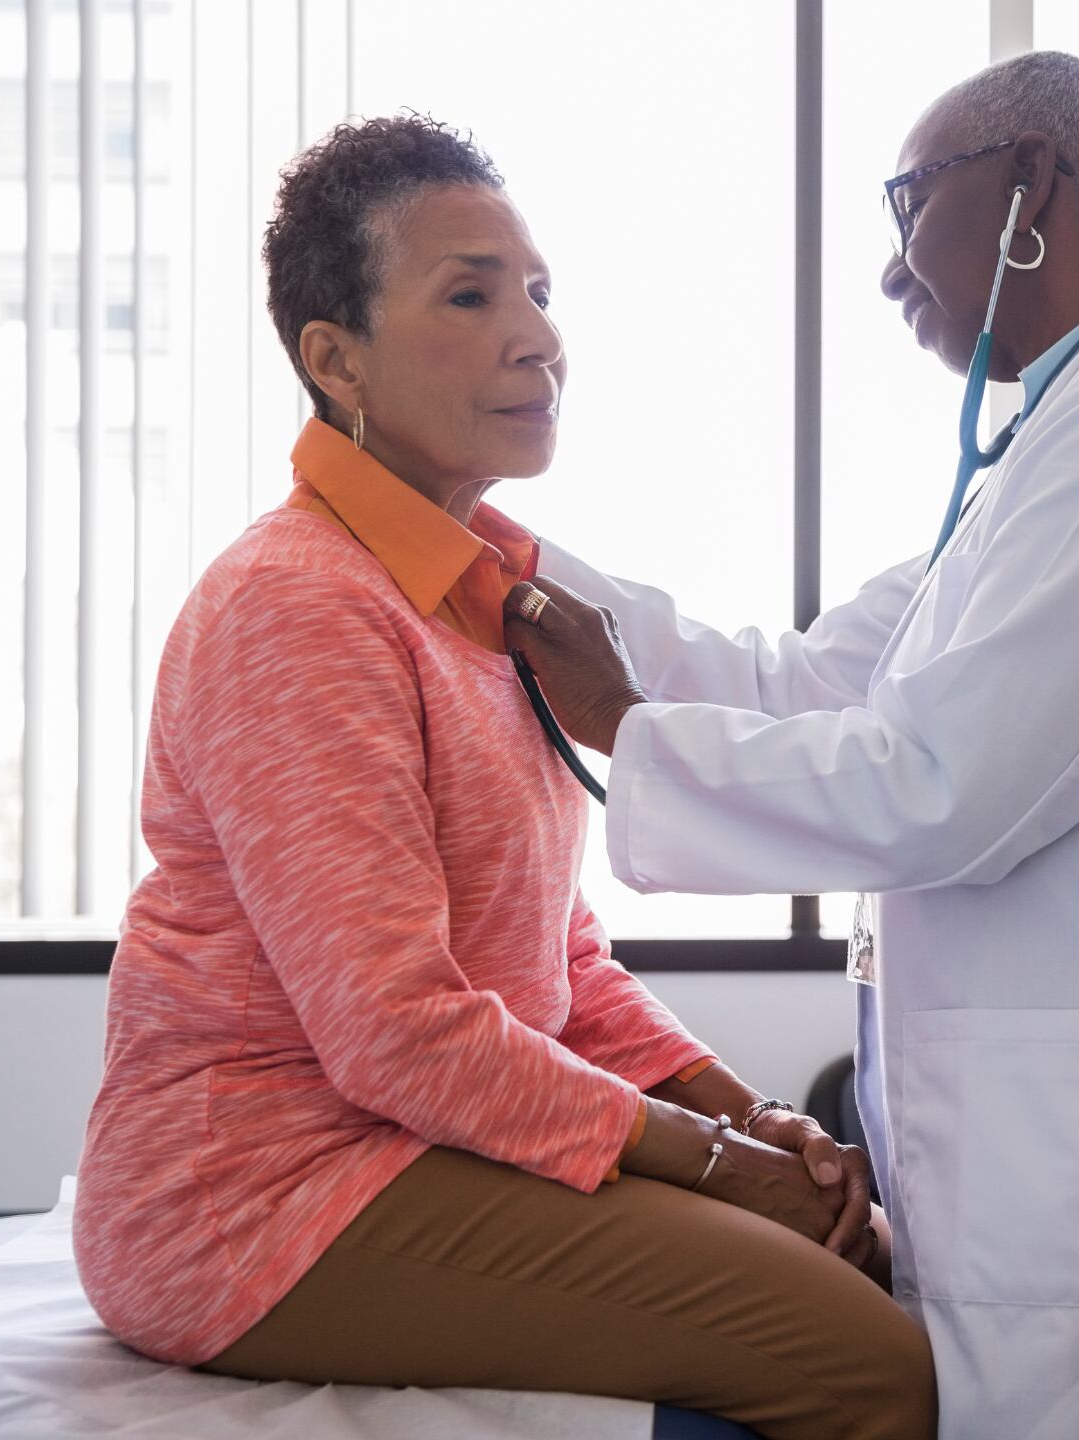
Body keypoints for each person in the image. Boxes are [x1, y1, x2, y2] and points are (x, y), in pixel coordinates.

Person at [506, 52, 1079, 1440]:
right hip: (1046, 1119)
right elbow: (808, 679)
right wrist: (515, 569)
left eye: (910, 201)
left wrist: (625, 732)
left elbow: (948, 779)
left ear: (1032, 183)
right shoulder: (1053, 445)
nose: (894, 265)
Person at [70, 114, 935, 1440]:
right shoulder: (298, 606)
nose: (535, 336)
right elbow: (398, 1031)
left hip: (414, 1145)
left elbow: (557, 957)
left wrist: (746, 1117)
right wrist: (719, 1168)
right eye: (468, 295)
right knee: (873, 1367)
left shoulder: (490, 596)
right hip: (260, 1195)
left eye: (537, 291)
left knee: (860, 1257)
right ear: (333, 360)